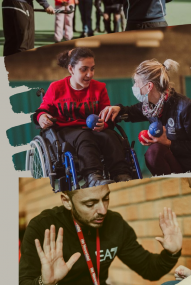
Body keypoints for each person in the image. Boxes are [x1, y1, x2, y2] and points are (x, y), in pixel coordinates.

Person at [20, 184, 182, 285]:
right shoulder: (42, 227)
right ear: (67, 201)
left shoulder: (114, 223)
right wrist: (45, 283)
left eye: (106, 199)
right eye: (90, 204)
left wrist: (171, 253)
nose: (102, 210)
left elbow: (149, 269)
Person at [32, 48, 133, 186]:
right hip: (66, 132)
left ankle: (121, 174)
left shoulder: (99, 88)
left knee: (111, 136)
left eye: (92, 69)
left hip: (93, 130)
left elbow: (107, 115)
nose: (89, 74)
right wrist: (42, 117)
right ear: (71, 69)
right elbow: (42, 110)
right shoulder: (56, 88)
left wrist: (105, 124)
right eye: (84, 69)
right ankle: (93, 177)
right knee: (85, 136)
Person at [99, 59, 191, 176]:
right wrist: (118, 108)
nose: (135, 86)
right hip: (172, 163)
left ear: (149, 86)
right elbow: (131, 111)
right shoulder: (149, 106)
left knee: (154, 151)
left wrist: (168, 143)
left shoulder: (187, 108)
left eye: (136, 82)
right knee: (153, 153)